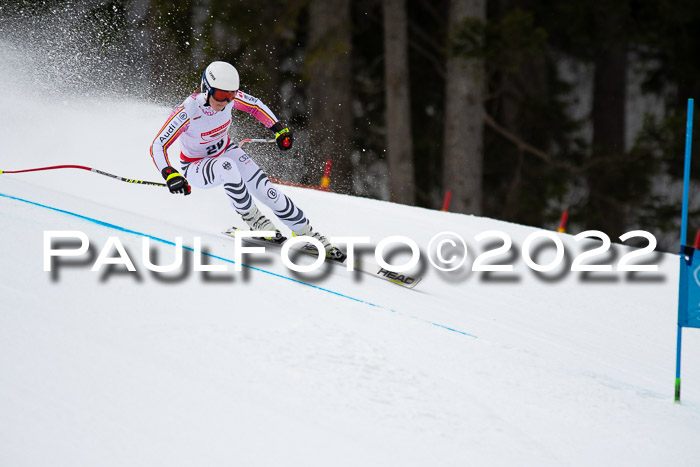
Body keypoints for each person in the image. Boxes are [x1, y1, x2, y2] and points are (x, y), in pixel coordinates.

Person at [149, 60, 345, 261]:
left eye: (232, 95)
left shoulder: (229, 99)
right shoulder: (189, 110)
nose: (226, 102)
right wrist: (169, 173)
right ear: (206, 89)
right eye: (221, 96)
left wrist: (278, 129)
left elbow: (255, 106)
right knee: (228, 167)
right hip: (195, 166)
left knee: (267, 190)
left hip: (226, 150)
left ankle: (306, 233)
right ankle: (256, 222)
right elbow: (158, 145)